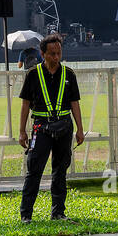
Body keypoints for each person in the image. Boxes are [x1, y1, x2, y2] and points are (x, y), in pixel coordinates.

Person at [17, 34, 85, 223]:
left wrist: (80, 129)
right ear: (42, 54)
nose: (56, 57)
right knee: (34, 170)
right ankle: (26, 215)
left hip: (64, 126)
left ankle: (58, 213)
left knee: (60, 170)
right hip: (41, 127)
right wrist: (22, 131)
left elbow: (75, 104)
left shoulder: (69, 74)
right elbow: (25, 105)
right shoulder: (33, 74)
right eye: (52, 54)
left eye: (59, 53)